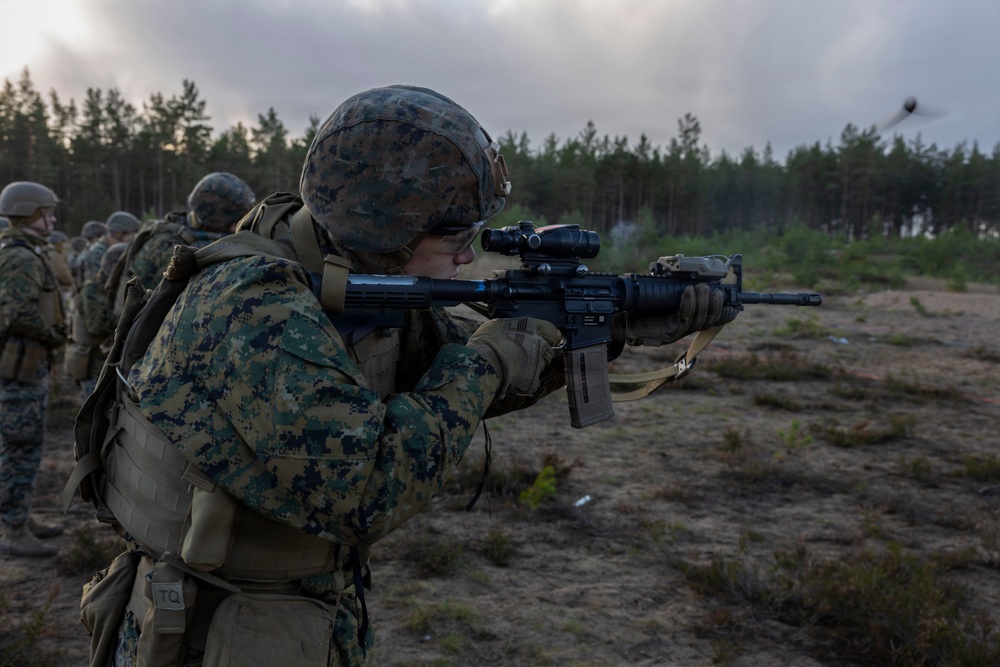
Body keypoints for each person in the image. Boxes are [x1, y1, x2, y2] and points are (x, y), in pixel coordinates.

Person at [79, 86, 733, 666]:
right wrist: (491, 354)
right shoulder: (254, 305)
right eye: (456, 233)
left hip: (289, 615)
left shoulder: (356, 284)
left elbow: (452, 383)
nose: (470, 252)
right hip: (208, 628)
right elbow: (368, 488)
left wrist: (609, 331)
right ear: (388, 224)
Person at [0, 181, 67, 558]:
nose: (53, 218)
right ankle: (13, 528)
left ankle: (20, 518)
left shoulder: (25, 251)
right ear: (31, 213)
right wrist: (53, 336)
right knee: (20, 448)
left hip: (27, 368)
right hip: (20, 372)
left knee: (24, 446)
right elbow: (16, 313)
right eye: (48, 213)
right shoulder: (22, 257)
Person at [115, 171, 255, 302]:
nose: (236, 227)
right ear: (213, 217)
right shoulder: (167, 247)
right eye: (235, 220)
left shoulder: (190, 234)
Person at [63, 242, 129, 398]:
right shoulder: (92, 289)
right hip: (94, 366)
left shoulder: (118, 288)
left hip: (111, 363)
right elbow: (98, 325)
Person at [75, 211, 140, 284]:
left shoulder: (109, 249)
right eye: (129, 235)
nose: (130, 239)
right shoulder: (97, 252)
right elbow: (97, 284)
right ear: (117, 234)